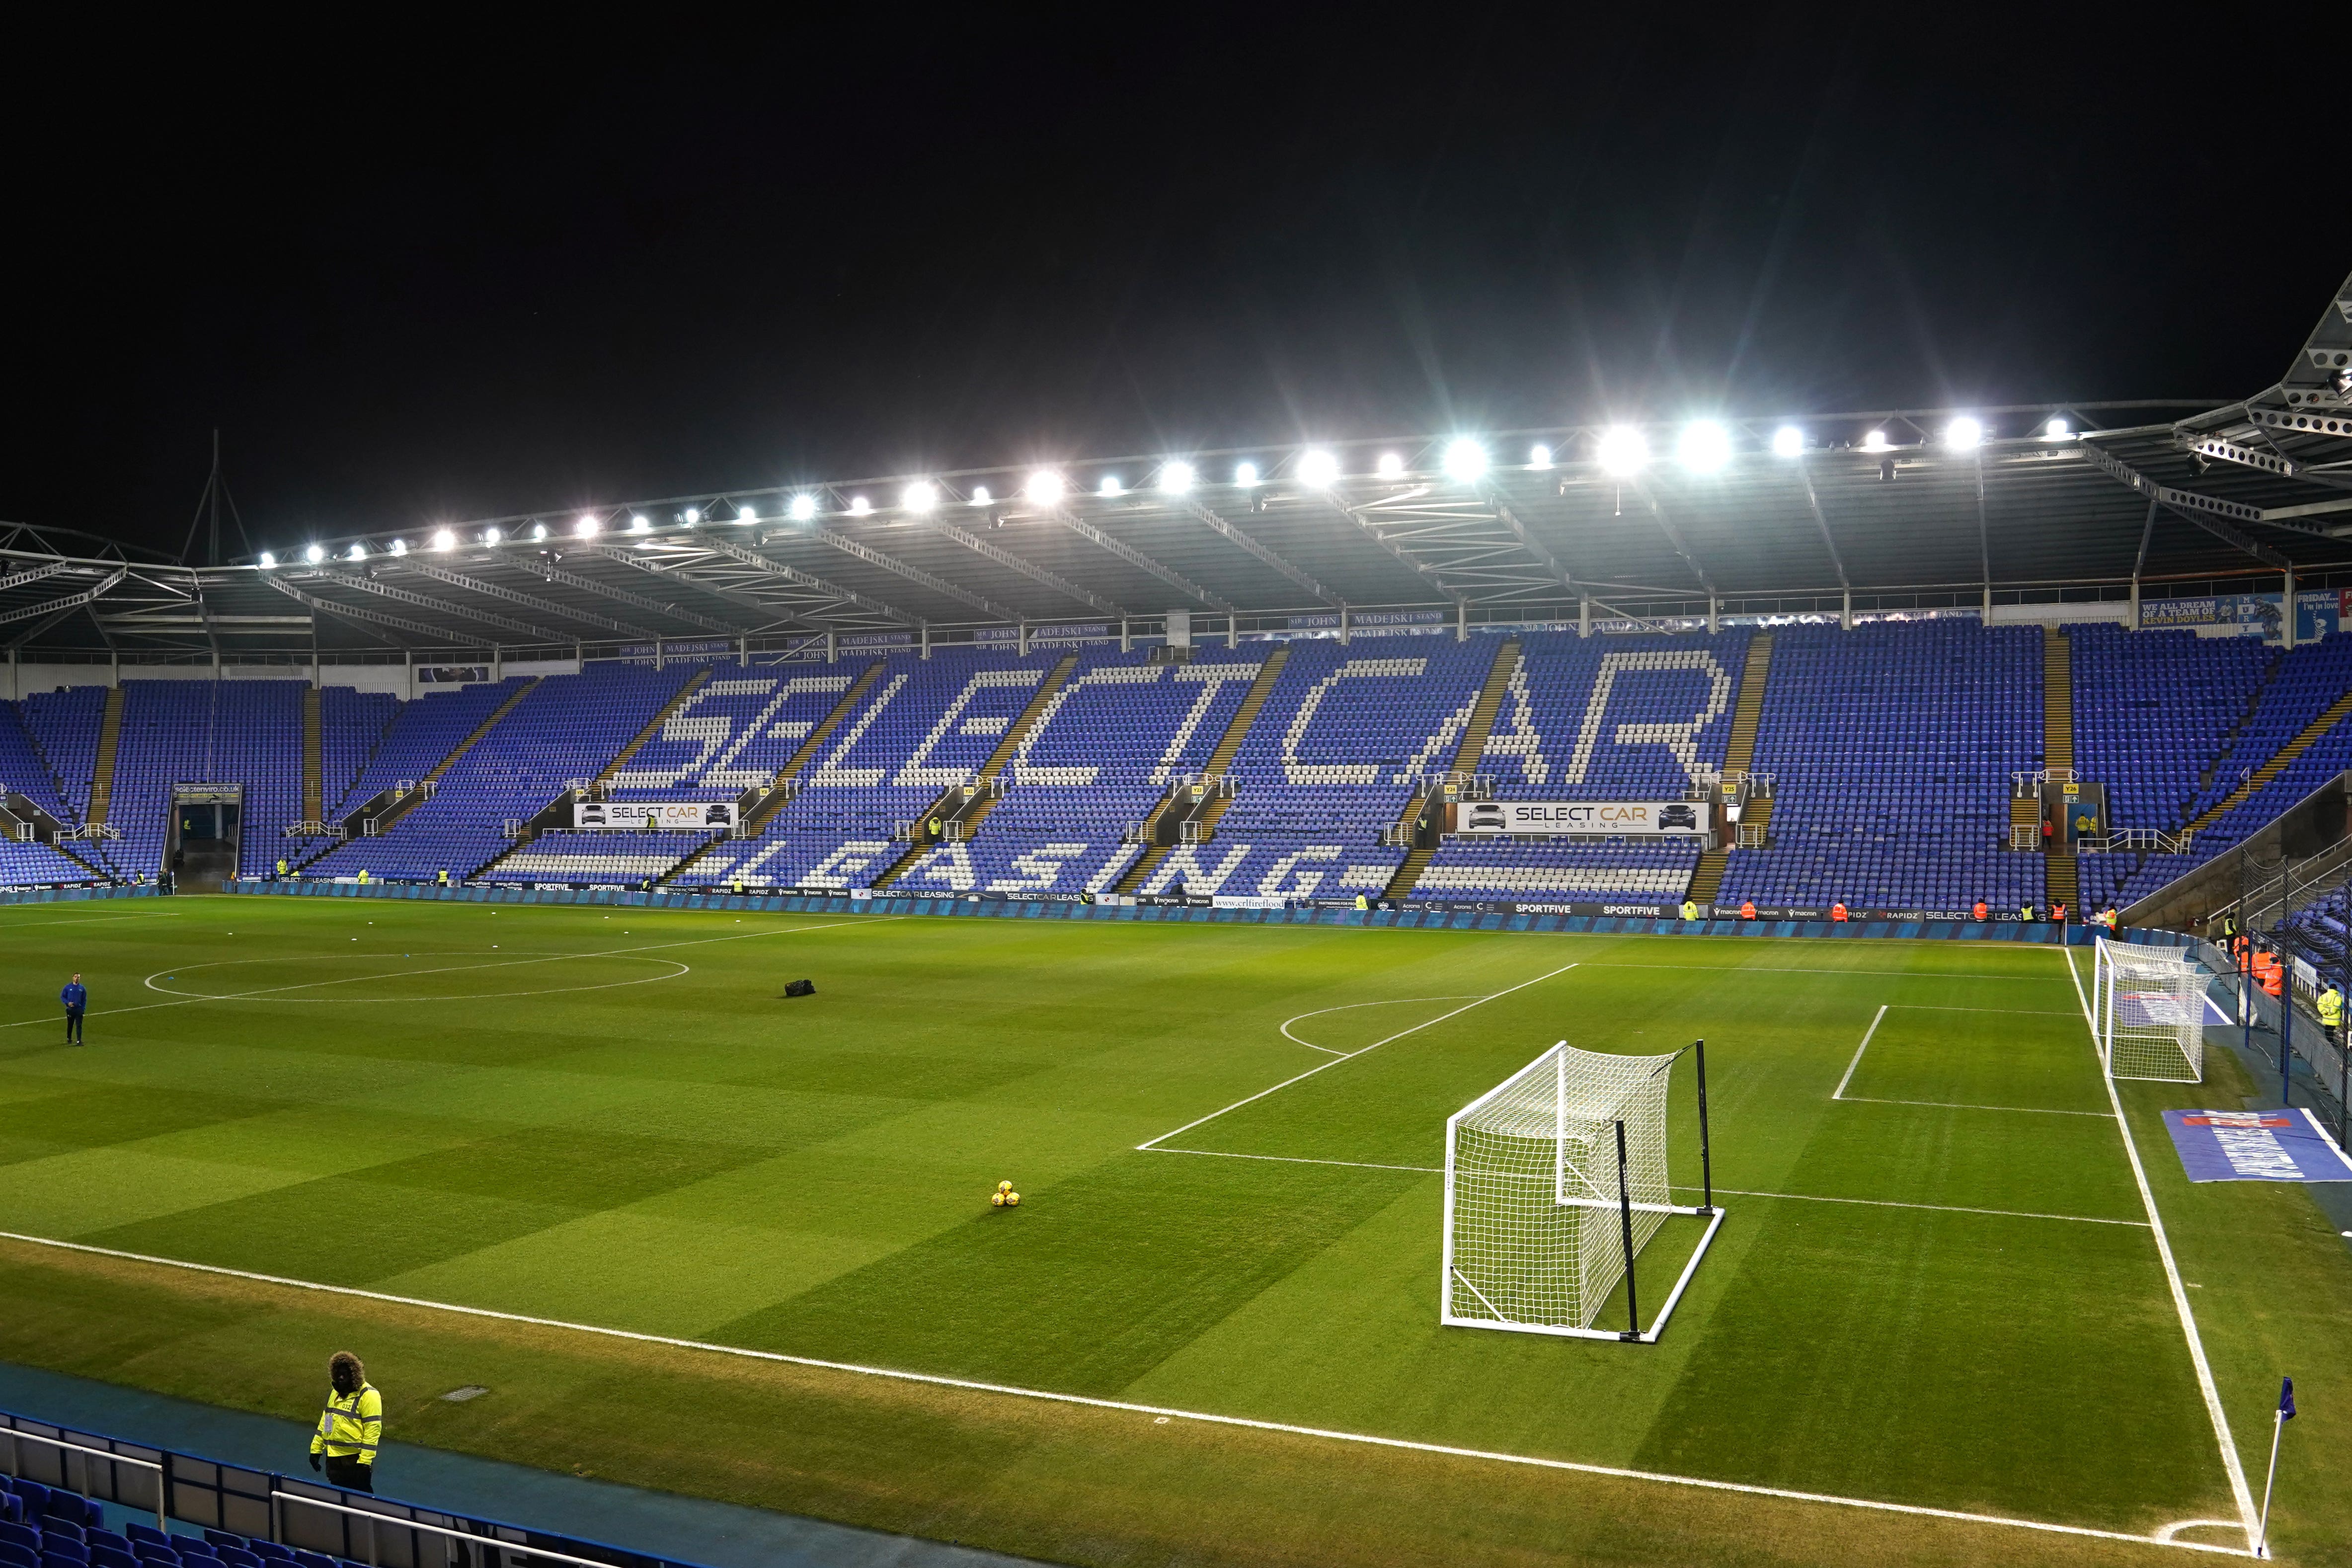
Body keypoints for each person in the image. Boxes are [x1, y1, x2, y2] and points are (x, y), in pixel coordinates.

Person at [309, 1352, 383, 1493]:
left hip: (355, 1462)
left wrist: (365, 1463)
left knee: (362, 1500)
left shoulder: (368, 1395)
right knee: (339, 1499)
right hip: (334, 1461)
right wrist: (316, 1450)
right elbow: (326, 1421)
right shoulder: (334, 1394)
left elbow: (372, 1431)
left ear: (354, 1375)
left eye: (345, 1374)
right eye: (338, 1374)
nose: (341, 1377)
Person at [61, 973, 86, 1047]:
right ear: (73, 978)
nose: (77, 978)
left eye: (78, 977)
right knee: (70, 1024)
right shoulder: (68, 988)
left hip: (79, 1010)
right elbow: (62, 997)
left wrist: (83, 1008)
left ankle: (79, 1041)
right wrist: (68, 1003)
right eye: (75, 977)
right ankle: (69, 1038)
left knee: (79, 1025)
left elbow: (84, 1000)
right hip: (70, 1009)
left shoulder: (82, 989)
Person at [2318, 981, 2342, 1047]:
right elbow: (2337, 1006)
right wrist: (2331, 1012)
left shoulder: (2324, 996)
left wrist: (2324, 1012)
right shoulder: (2337, 997)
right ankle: (2331, 1041)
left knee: (2327, 1028)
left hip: (2326, 1016)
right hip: (2334, 1017)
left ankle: (2328, 1040)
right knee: (2332, 1029)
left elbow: (2319, 1004)